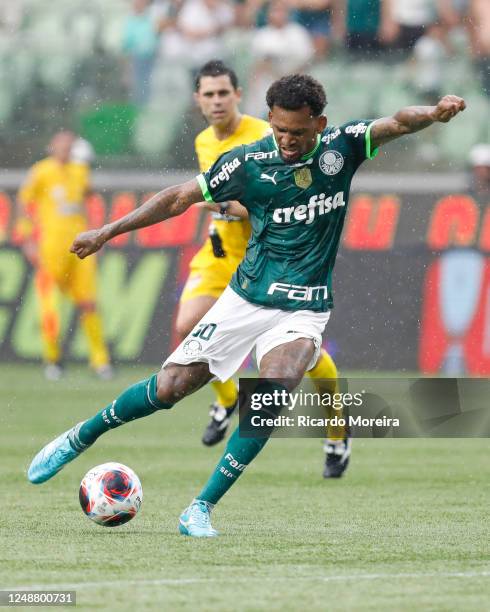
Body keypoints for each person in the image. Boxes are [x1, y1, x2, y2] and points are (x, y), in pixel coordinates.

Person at [27, 76, 465, 538]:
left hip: (304, 307)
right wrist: (105, 232)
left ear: (319, 124)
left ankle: (199, 509)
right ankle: (82, 435)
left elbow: (397, 121)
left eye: (297, 132)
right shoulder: (248, 162)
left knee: (270, 395)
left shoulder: (343, 147)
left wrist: (434, 114)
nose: (286, 141)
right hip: (245, 297)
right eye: (278, 130)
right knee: (171, 388)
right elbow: (178, 198)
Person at [180, 60, 349, 478]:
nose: (217, 101)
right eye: (209, 94)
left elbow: (263, 203)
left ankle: (337, 425)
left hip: (272, 257)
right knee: (187, 323)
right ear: (197, 99)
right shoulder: (205, 141)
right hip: (220, 255)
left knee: (304, 355)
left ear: (239, 95)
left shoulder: (267, 135)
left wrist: (219, 203)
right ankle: (225, 399)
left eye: (224, 93)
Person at [17, 131, 112, 380]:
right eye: (61, 145)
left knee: (89, 302)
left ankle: (100, 362)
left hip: (81, 248)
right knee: (51, 305)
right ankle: (53, 360)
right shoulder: (41, 171)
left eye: (69, 146)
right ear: (51, 147)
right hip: (51, 248)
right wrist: (27, 239)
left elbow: (91, 199)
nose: (65, 150)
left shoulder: (80, 171)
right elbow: (24, 203)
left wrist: (98, 234)